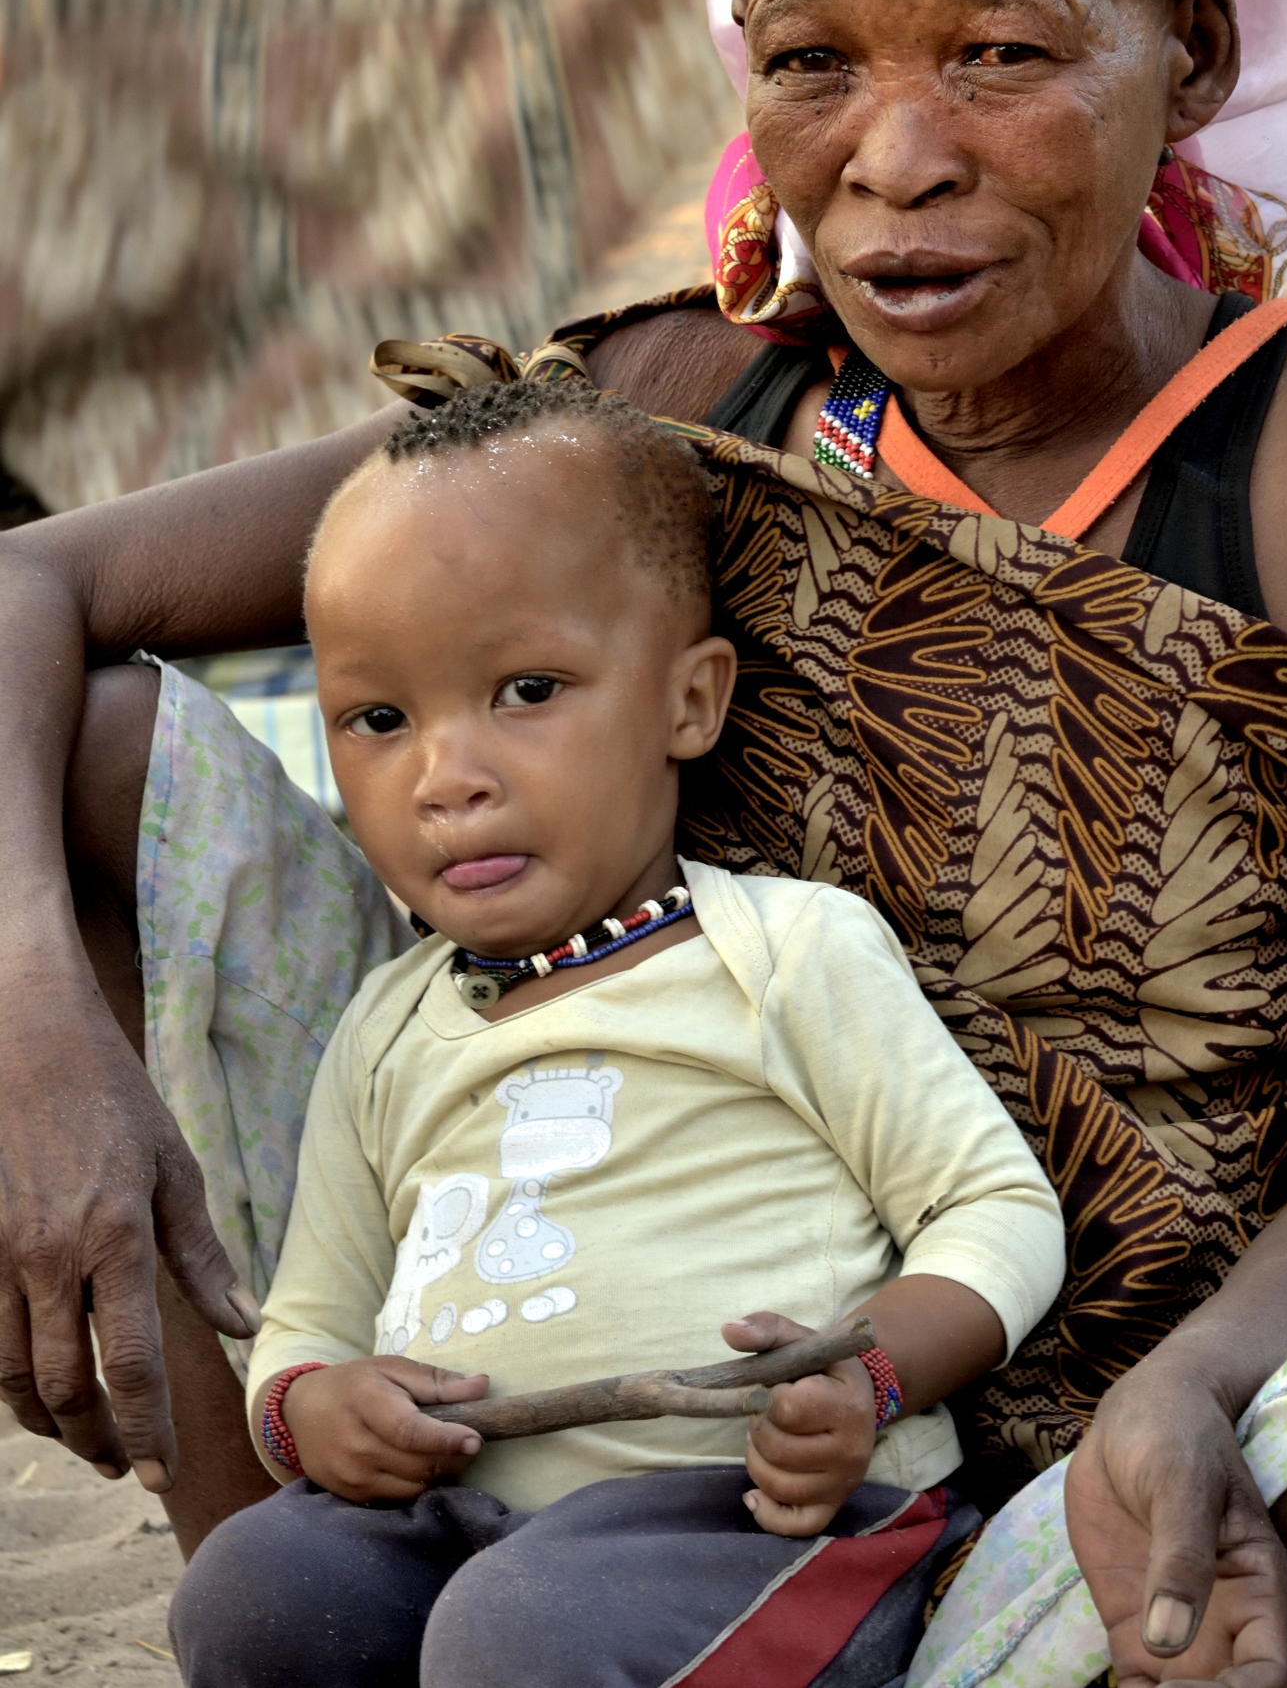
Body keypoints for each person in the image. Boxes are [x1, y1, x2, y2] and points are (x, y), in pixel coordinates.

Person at [3, 0, 1287, 1688]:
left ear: (1199, 56)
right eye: (812, 64)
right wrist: (43, 1054)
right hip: (622, 1400)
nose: (897, 159)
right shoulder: (688, 411)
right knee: (81, 746)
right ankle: (307, 1584)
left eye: (1000, 52)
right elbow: (27, 592)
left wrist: (1200, 1391)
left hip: (1100, 1446)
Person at [166, 372, 1064, 1687]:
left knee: (520, 1631)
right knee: (252, 1590)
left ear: (686, 702)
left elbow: (992, 1207)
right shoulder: (387, 1026)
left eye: (526, 688)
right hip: (459, 1520)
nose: (445, 776)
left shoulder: (782, 948)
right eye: (377, 719)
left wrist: (868, 1375)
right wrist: (310, 1403)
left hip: (749, 1519)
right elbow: (314, 1308)